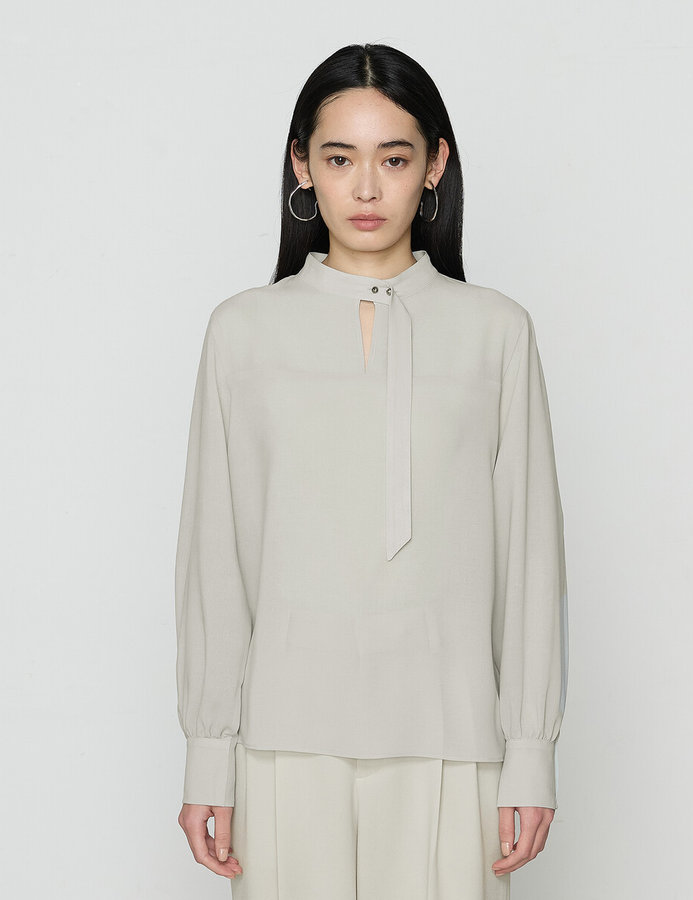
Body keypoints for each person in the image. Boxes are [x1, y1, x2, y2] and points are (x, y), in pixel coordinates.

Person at [174, 42, 568, 900]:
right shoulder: (242, 332)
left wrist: (530, 750)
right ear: (301, 166)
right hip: (284, 739)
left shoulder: (497, 332)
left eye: (392, 159)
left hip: (451, 736)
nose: (364, 189)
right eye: (338, 158)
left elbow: (530, 556)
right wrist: (209, 750)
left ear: (434, 166)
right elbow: (215, 553)